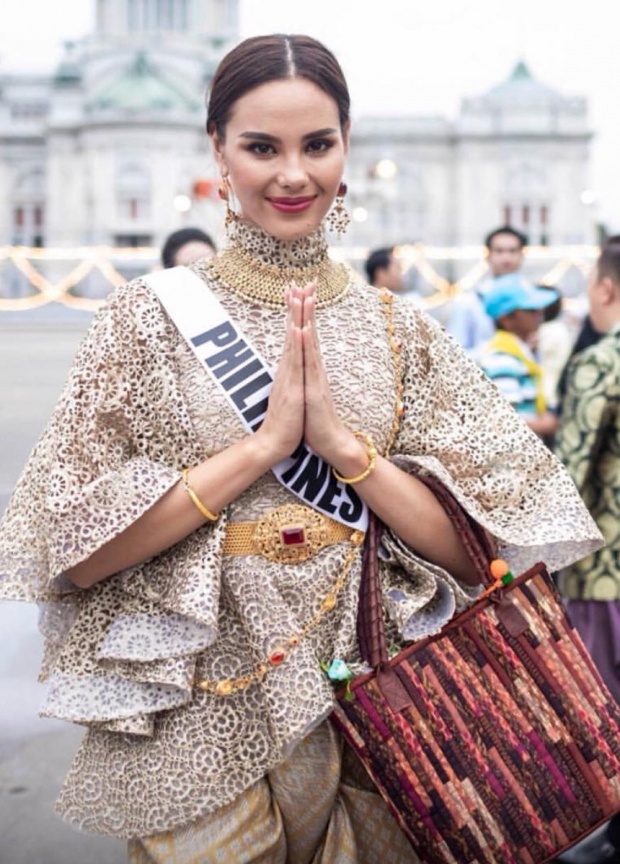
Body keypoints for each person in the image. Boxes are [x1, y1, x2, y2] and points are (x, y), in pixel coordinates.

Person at [0, 34, 602, 863]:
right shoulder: (145, 322)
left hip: (385, 707)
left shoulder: (404, 333)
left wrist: (348, 454)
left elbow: (478, 553)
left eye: (317, 144)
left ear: (348, 147)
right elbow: (75, 554)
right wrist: (264, 448)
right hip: (196, 708)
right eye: (261, 147)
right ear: (217, 149)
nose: (293, 174)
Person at [554, 237, 620, 703]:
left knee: (603, 712)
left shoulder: (600, 363)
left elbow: (568, 477)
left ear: (606, 290)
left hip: (605, 571)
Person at [477, 272, 559, 440]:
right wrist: (547, 424)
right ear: (507, 318)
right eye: (531, 309)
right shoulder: (502, 359)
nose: (539, 313)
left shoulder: (519, 353)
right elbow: (504, 421)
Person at [447, 225, 528, 355]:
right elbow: (454, 354)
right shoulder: (468, 302)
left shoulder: (533, 299)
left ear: (522, 255)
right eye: (499, 251)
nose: (506, 258)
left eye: (512, 251)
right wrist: (495, 350)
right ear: (488, 255)